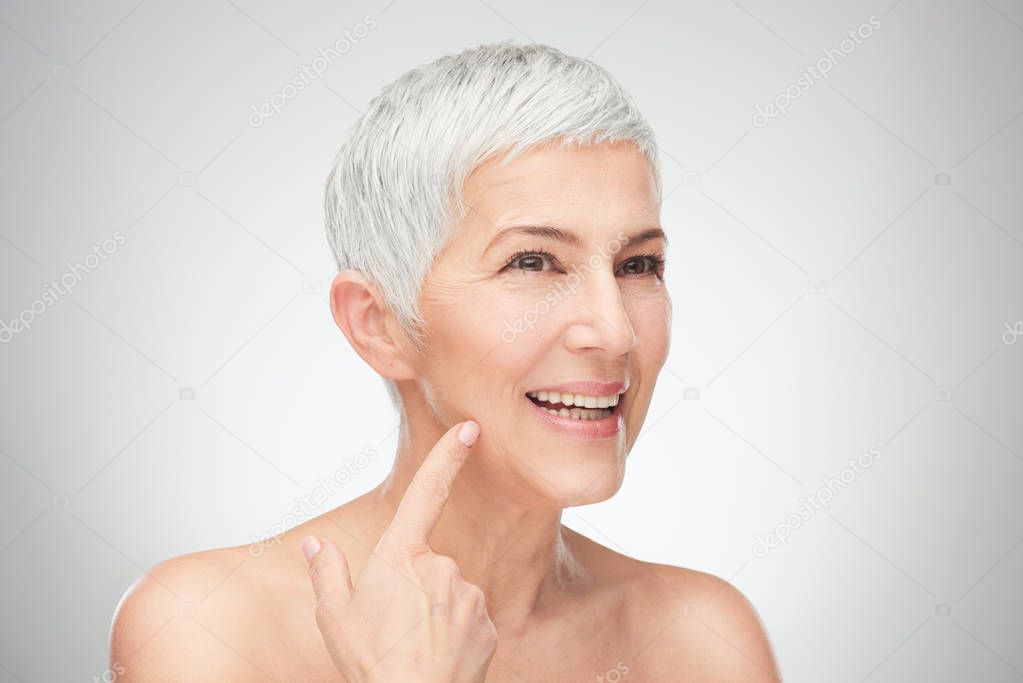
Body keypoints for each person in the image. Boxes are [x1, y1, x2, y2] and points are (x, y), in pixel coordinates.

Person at [109, 41, 781, 681]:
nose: (613, 332)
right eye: (532, 261)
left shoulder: (703, 639)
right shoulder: (207, 627)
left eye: (637, 264)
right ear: (380, 326)